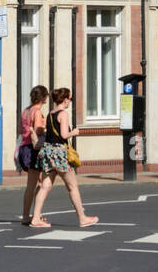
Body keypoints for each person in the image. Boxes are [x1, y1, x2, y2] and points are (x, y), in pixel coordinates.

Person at [29, 87, 99, 229]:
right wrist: (74, 132)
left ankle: (35, 218)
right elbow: (64, 135)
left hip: (48, 153)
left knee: (45, 186)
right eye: (70, 99)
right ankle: (82, 218)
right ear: (65, 99)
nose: (70, 102)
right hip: (60, 154)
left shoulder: (50, 114)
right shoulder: (63, 114)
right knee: (72, 187)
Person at [17, 85, 49, 225]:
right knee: (34, 184)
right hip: (33, 149)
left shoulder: (25, 111)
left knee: (37, 182)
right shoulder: (36, 112)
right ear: (43, 98)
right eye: (46, 95)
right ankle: (32, 216)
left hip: (24, 147)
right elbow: (38, 131)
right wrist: (46, 127)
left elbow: (20, 129)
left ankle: (31, 214)